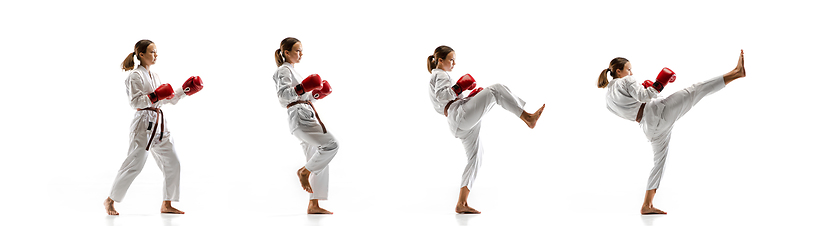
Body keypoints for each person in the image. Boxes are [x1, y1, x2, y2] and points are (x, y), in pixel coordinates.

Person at [597, 50, 746, 214]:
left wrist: (647, 89)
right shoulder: (626, 80)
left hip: (648, 128)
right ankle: (736, 73)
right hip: (658, 114)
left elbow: (632, 108)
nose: (631, 73)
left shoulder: (608, 101)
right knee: (695, 90)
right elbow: (645, 97)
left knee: (659, 163)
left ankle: (647, 205)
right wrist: (659, 83)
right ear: (619, 71)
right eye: (629, 69)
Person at [426, 45, 545, 214]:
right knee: (496, 89)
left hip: (459, 120)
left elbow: (445, 101)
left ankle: (462, 203)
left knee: (476, 156)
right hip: (459, 116)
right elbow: (443, 96)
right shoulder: (440, 74)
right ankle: (527, 117)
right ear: (440, 60)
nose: (454, 63)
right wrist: (459, 88)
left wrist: (470, 96)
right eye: (451, 59)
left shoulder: (440, 76)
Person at [105, 39, 204, 215]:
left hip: (159, 123)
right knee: (134, 164)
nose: (156, 55)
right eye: (152, 52)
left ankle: (167, 203)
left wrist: (184, 90)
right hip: (143, 123)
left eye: (156, 51)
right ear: (141, 55)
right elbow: (134, 102)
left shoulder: (155, 76)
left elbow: (168, 99)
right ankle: (110, 200)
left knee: (173, 162)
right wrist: (154, 95)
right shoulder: (134, 76)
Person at [272, 37, 338, 214]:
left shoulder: (294, 71)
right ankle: (304, 172)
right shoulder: (283, 71)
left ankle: (313, 205)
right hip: (300, 117)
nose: (301, 54)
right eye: (297, 50)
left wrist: (318, 94)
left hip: (305, 113)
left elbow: (303, 96)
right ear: (287, 53)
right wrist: (303, 88)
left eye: (302, 51)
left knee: (318, 158)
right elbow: (283, 97)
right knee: (331, 145)